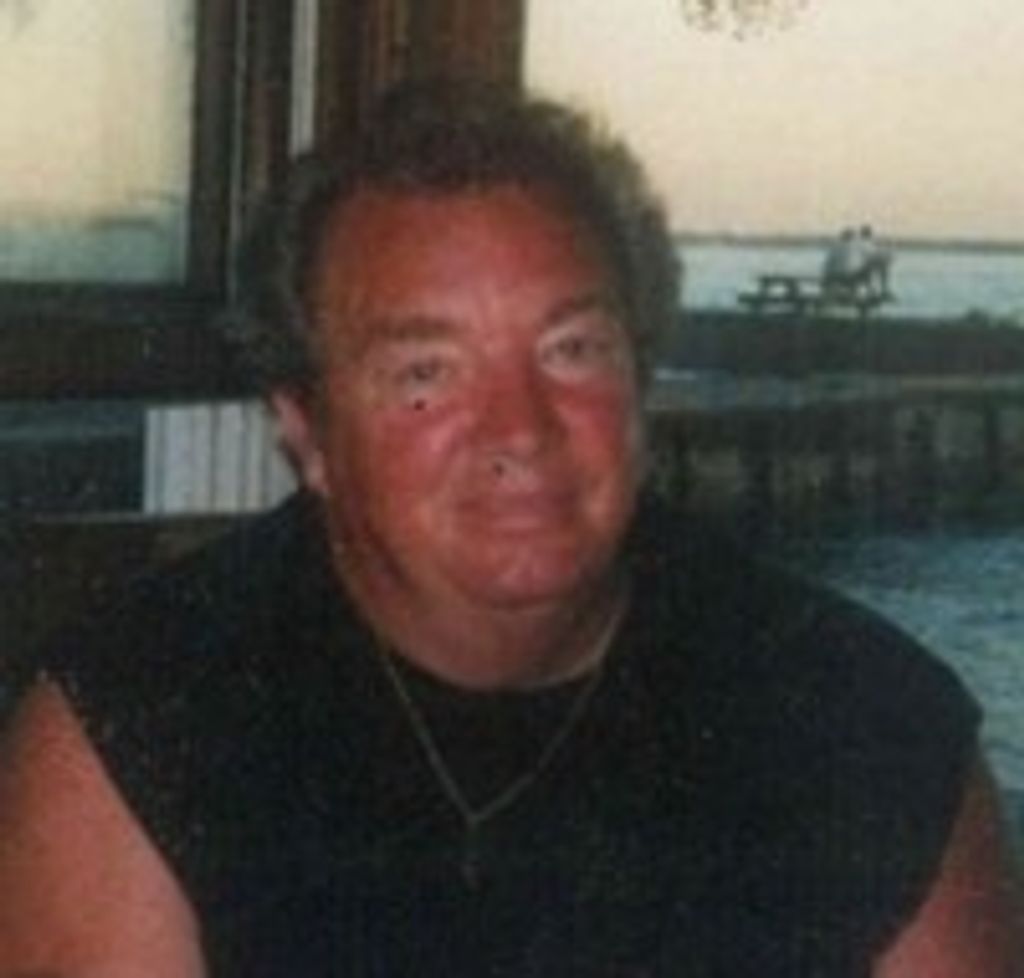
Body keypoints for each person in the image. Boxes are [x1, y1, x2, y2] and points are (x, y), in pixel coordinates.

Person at [1, 80, 1021, 977]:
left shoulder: (867, 723)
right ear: (307, 433)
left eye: (571, 350)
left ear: (641, 384)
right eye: (426, 374)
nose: (520, 430)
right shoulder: (140, 726)